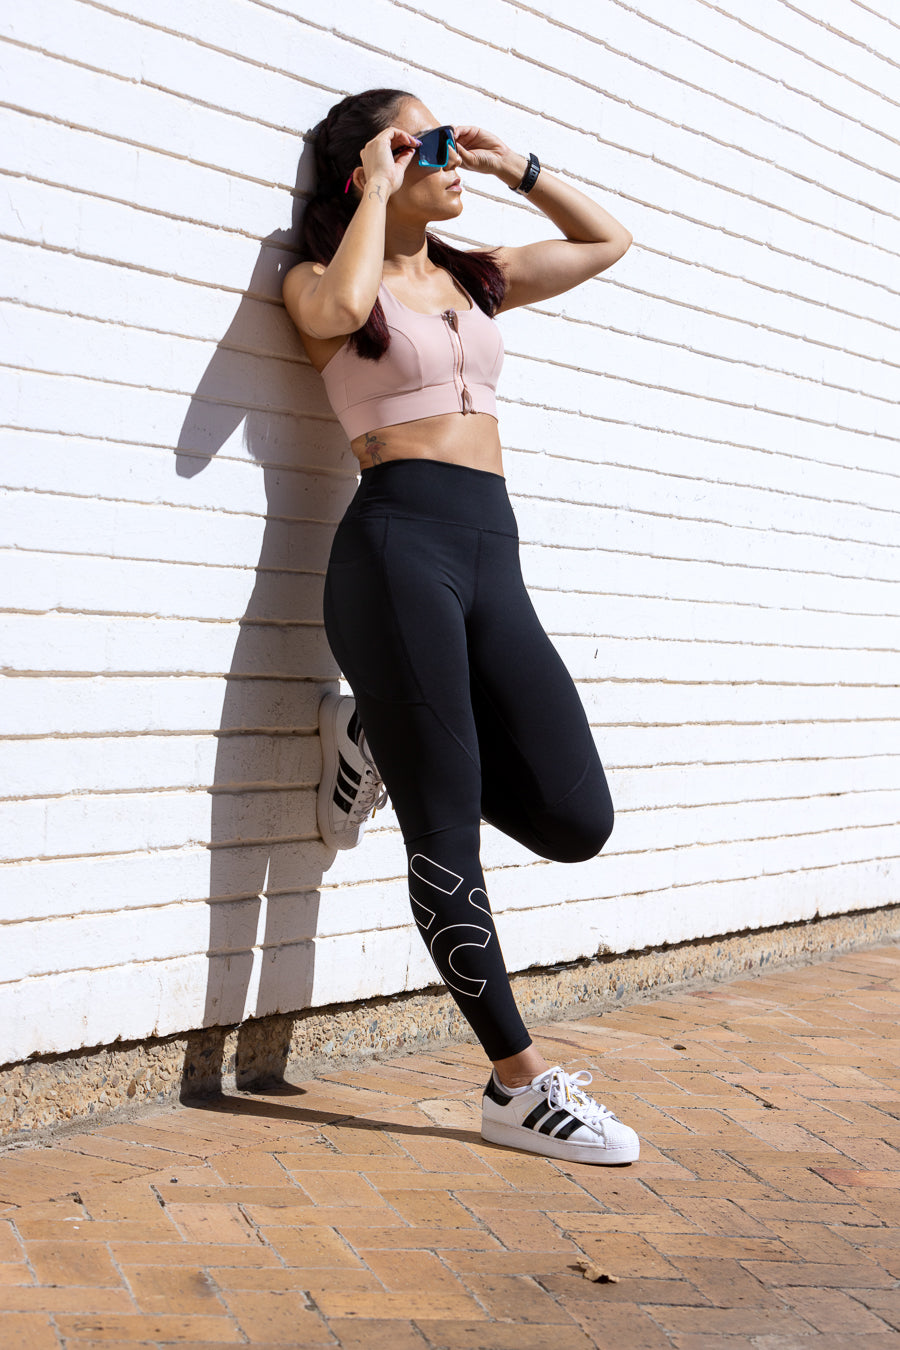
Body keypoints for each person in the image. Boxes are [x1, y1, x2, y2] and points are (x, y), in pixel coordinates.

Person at [282, 88, 639, 1165]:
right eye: (422, 141)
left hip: (492, 552)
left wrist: (511, 164)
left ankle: (376, 731)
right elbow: (341, 308)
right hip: (397, 553)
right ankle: (515, 1084)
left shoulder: (474, 277)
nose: (444, 156)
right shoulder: (321, 281)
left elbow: (607, 241)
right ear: (369, 168)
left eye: (444, 140)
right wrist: (379, 190)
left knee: (576, 817)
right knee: (445, 830)